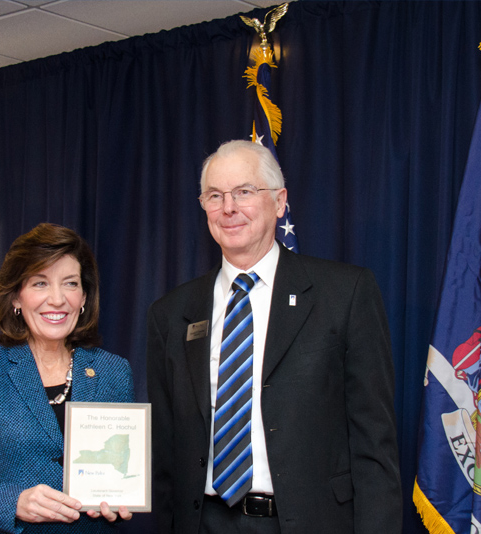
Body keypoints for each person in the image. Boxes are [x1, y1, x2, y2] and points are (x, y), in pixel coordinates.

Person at [146, 140, 402, 533]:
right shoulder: (171, 314)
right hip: (204, 523)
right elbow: (163, 456)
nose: (229, 208)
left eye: (244, 192)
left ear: (279, 202)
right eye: (215, 196)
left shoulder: (345, 294)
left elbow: (374, 447)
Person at [0, 223, 134, 534]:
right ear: (16, 298)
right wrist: (14, 503)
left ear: (84, 296)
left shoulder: (114, 371)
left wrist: (120, 499)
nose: (58, 299)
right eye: (40, 284)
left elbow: (121, 471)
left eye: (70, 284)